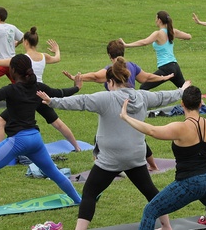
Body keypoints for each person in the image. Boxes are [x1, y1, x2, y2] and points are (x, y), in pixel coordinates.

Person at [37, 57, 190, 230]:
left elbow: (80, 101)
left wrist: (52, 101)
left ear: (110, 82)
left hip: (110, 159)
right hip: (136, 157)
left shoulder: (106, 98)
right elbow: (164, 97)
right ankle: (167, 227)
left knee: (89, 193)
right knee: (151, 192)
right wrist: (182, 90)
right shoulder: (143, 97)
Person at [119, 86, 206, 230]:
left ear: (182, 104)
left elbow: (151, 130)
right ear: (200, 104)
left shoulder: (180, 128)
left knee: (150, 211)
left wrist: (126, 117)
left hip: (190, 183)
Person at [0, 54, 82, 217]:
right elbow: (60, 92)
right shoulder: (37, 87)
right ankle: (78, 200)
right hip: (35, 139)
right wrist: (77, 87)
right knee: (54, 173)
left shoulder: (11, 89)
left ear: (13, 70)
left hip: (18, 141)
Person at [61, 39, 175, 170]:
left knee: (99, 140)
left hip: (115, 108)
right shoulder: (131, 66)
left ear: (109, 55)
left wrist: (78, 78)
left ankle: (103, 168)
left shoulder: (111, 70)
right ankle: (153, 165)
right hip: (133, 106)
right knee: (137, 136)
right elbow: (147, 78)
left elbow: (95, 76)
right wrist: (162, 78)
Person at [0, 27, 81, 151]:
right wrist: (57, 50)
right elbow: (57, 58)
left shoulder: (21, 60)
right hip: (41, 93)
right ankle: (77, 147)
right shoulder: (43, 56)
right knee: (57, 123)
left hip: (25, 94)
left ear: (25, 42)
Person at [120, 10, 191, 90]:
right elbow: (188, 36)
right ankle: (199, 101)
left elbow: (144, 42)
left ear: (159, 20)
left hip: (166, 68)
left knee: (143, 87)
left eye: (156, 18)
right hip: (175, 67)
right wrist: (182, 39)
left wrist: (127, 45)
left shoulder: (158, 34)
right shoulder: (173, 31)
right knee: (186, 90)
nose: (155, 21)